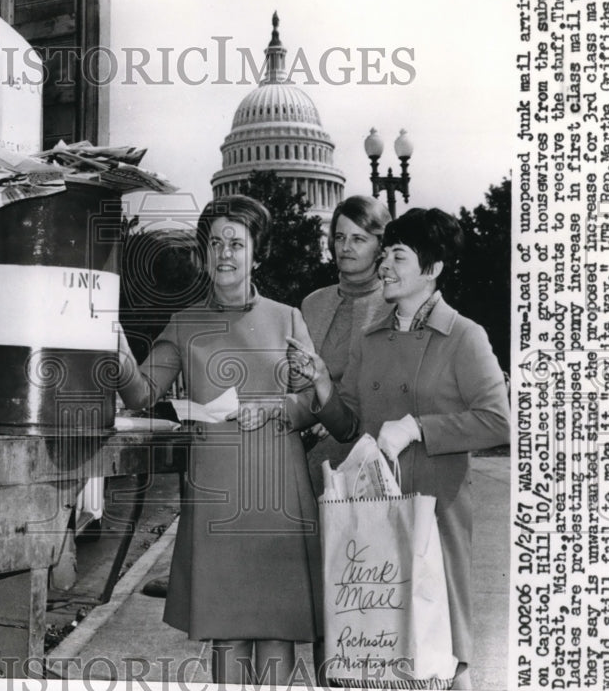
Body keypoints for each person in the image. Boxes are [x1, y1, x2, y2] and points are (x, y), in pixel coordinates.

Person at [117, 194, 353, 685]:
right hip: (217, 499)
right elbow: (141, 395)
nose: (225, 253)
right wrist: (114, 350)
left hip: (280, 494)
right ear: (204, 254)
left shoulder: (288, 317)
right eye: (216, 243)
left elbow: (317, 405)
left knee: (277, 631)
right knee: (227, 633)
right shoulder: (184, 324)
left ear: (255, 254)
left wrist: (280, 405)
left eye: (236, 243)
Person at [309, 207, 510, 690]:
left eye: (398, 257)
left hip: (436, 515)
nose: (385, 267)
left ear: (433, 269)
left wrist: (419, 427)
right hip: (375, 513)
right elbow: (350, 423)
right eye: (387, 256)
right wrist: (320, 388)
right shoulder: (370, 337)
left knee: (440, 649)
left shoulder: (464, 336)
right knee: (375, 645)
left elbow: (498, 421)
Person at [300, 195, 393, 497]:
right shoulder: (313, 303)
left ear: (381, 247)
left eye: (358, 239)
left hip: (368, 453)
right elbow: (300, 379)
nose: (345, 247)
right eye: (340, 237)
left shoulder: (395, 307)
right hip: (309, 441)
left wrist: (336, 416)